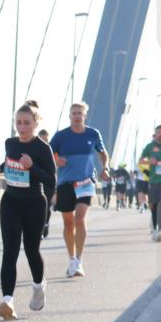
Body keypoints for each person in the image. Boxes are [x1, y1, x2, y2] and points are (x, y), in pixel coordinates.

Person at [0, 101, 56, 320]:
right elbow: (11, 162)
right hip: (11, 201)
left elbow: (51, 181)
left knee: (31, 250)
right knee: (9, 250)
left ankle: (38, 285)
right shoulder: (10, 143)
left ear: (36, 123)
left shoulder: (42, 148)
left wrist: (32, 167)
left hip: (34, 203)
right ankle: (7, 300)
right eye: (18, 122)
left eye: (26, 123)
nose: (22, 126)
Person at [49, 103, 108, 278]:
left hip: (85, 182)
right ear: (69, 116)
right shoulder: (61, 136)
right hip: (65, 182)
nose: (77, 116)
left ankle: (79, 261)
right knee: (68, 223)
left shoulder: (93, 133)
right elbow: (48, 152)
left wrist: (106, 167)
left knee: (80, 219)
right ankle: (71, 259)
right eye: (74, 113)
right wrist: (56, 159)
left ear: (85, 116)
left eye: (80, 113)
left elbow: (103, 153)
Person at [37, 129, 55, 238]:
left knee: (46, 207)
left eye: (46, 140)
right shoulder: (32, 149)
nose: (44, 142)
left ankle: (45, 224)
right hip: (36, 183)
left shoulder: (51, 150)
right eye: (42, 140)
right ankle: (37, 228)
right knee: (35, 207)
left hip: (48, 183)